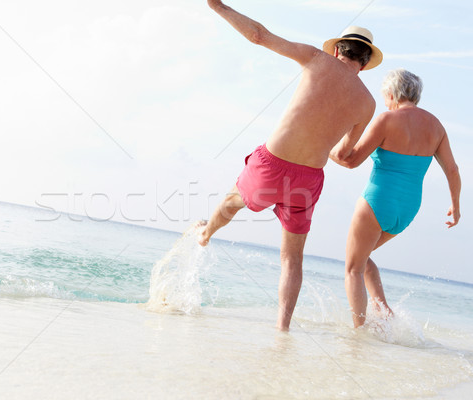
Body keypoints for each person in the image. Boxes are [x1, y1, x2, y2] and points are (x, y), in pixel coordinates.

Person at [198, 0, 383, 331]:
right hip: (308, 178)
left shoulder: (316, 59)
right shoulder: (368, 104)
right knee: (292, 259)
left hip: (272, 163)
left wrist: (219, 6)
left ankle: (205, 234)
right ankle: (282, 329)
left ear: (339, 49)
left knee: (231, 202)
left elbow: (258, 35)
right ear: (365, 61)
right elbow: (343, 154)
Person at [329, 68, 461, 328]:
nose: (385, 102)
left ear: (392, 93)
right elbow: (453, 170)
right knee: (362, 259)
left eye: (385, 96)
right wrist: (456, 207)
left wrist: (329, 148)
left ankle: (360, 332)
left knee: (352, 269)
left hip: (377, 201)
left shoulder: (386, 120)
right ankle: (384, 313)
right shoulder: (436, 126)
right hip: (408, 208)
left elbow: (351, 160)